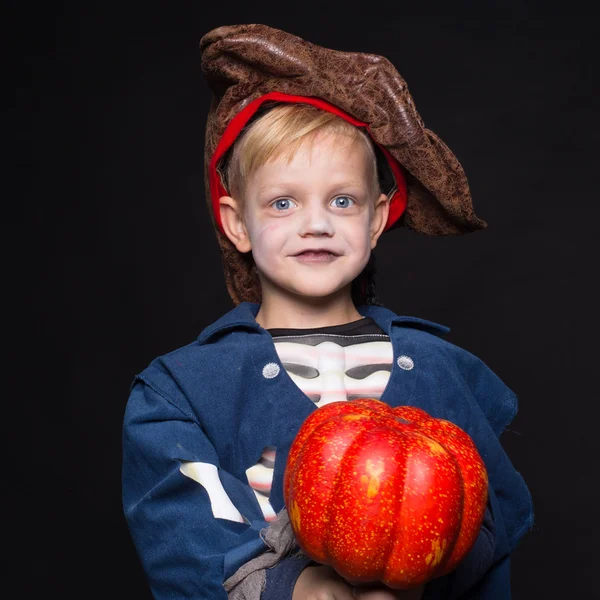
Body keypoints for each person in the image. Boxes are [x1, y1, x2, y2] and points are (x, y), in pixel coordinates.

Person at [122, 24, 533, 600]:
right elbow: (182, 523)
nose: (315, 223)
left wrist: (417, 568)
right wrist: (296, 586)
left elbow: (491, 514)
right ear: (237, 223)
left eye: (342, 200)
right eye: (283, 202)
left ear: (376, 217)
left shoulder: (444, 372)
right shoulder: (181, 391)